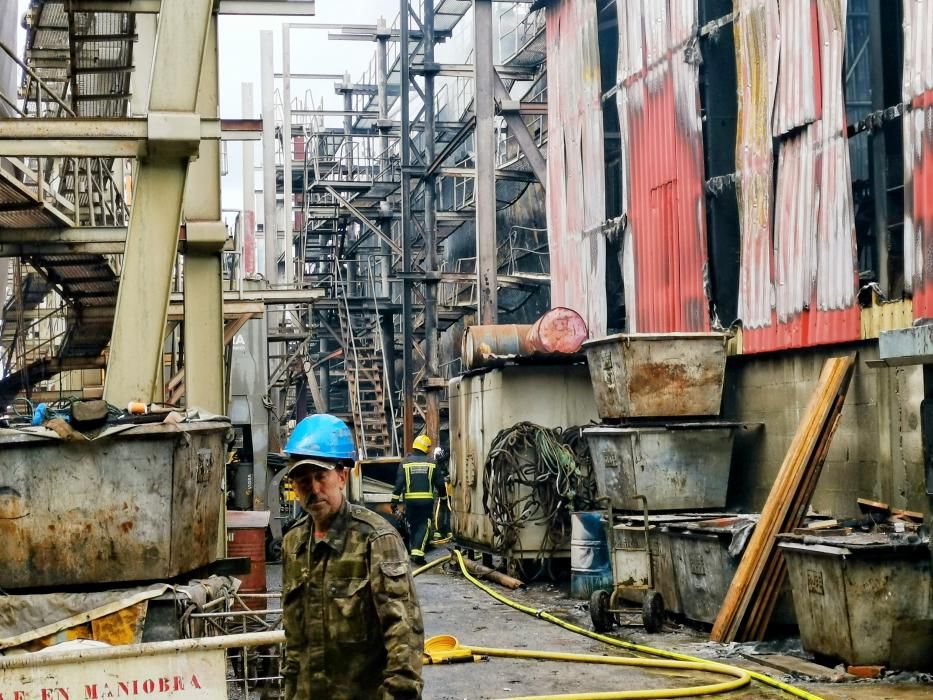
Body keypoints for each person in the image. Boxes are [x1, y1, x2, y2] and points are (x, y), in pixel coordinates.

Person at [281, 414, 424, 700]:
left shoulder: (376, 539)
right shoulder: (293, 544)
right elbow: (294, 645)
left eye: (321, 476)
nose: (314, 489)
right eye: (304, 480)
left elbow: (404, 637)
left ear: (342, 476)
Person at [391, 434, 445, 565]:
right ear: (426, 447)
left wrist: (394, 503)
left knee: (413, 525)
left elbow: (398, 484)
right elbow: (440, 483)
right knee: (424, 525)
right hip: (425, 502)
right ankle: (418, 554)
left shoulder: (405, 463)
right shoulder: (432, 463)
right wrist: (443, 498)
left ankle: (413, 551)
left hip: (410, 502)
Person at [431, 446, 453, 544]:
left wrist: (448, 477)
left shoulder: (443, 462)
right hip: (440, 490)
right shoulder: (438, 463)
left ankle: (447, 530)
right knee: (439, 510)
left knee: (447, 509)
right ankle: (439, 531)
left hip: (447, 490)